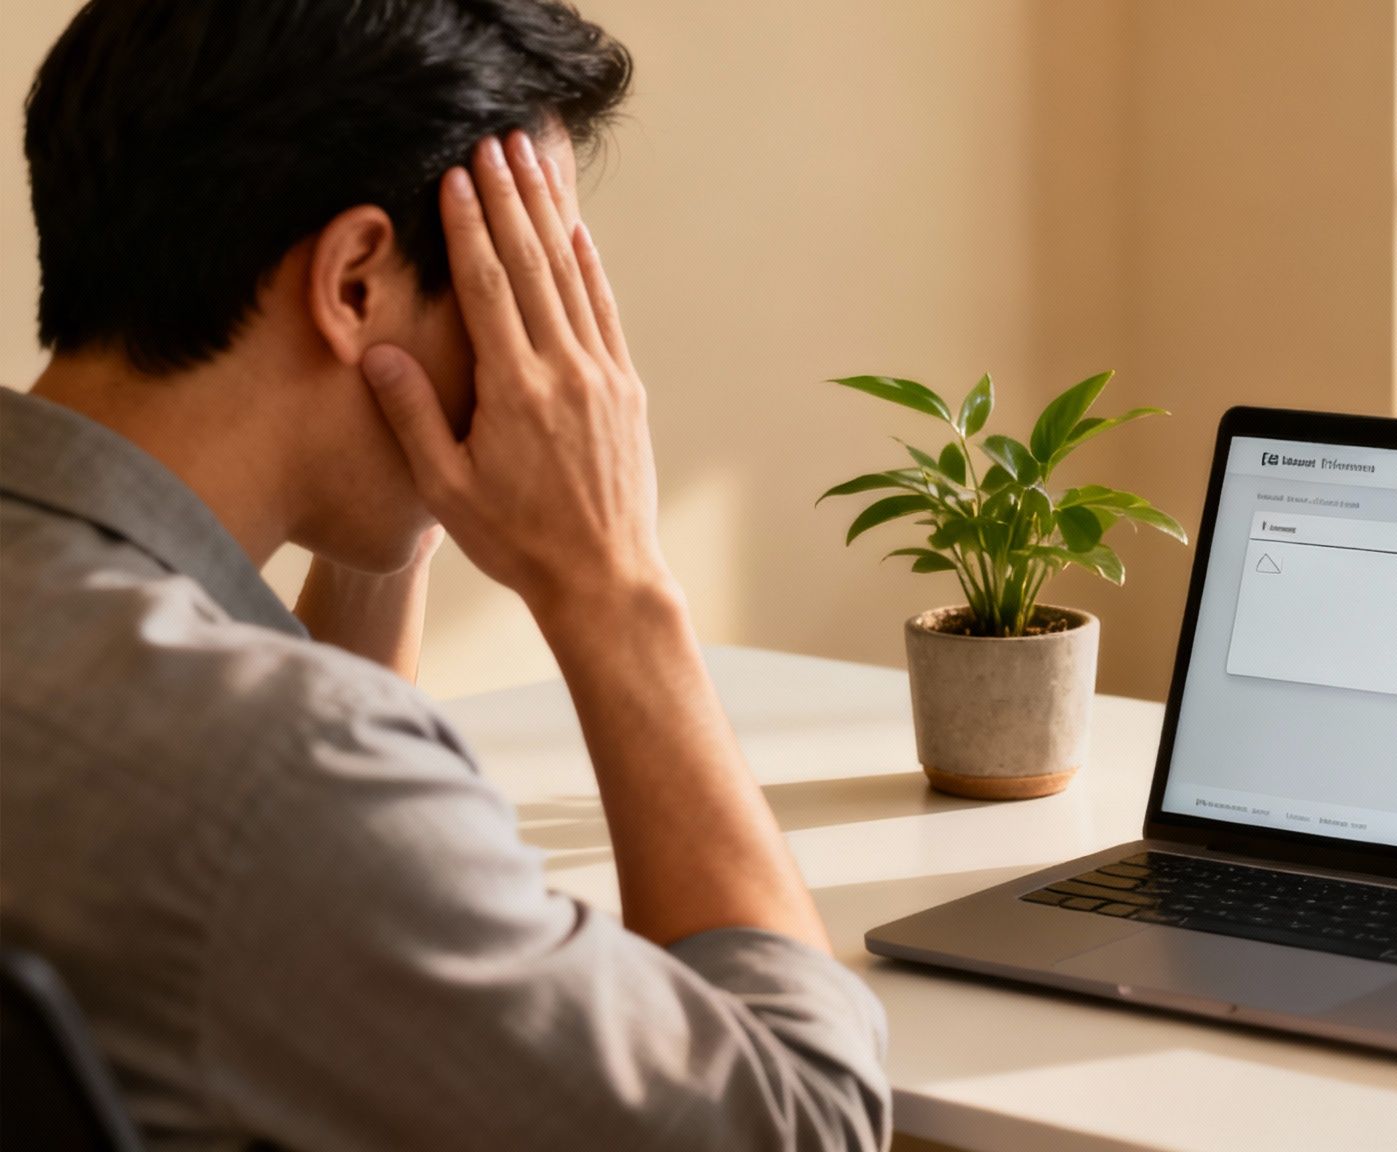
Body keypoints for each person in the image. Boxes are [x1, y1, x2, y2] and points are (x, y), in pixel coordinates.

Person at [0, 2, 889, 1148]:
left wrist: (401, 508)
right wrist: (614, 581)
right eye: (508, 287)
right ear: (358, 280)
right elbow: (800, 1119)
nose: (540, 353)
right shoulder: (282, 782)